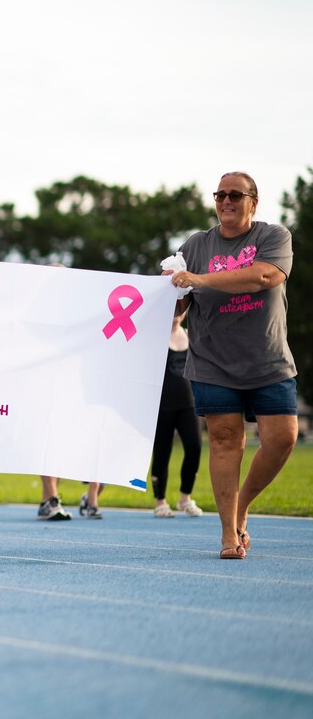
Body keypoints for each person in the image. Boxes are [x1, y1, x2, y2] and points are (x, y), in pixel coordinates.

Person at [166, 171, 297, 559]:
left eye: (235, 195)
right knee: (225, 440)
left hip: (267, 358)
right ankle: (228, 534)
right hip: (212, 361)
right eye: (220, 194)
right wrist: (168, 288)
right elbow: (178, 307)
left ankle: (241, 506)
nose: (226, 201)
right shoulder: (195, 245)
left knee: (282, 439)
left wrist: (200, 279)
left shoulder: (273, 237)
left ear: (253, 203)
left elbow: (263, 276)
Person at [151, 315, 203, 518]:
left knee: (195, 447)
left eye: (181, 307)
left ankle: (185, 498)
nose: (176, 312)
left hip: (188, 404)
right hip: (163, 406)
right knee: (162, 452)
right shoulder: (156, 338)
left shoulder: (191, 336)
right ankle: (160, 501)